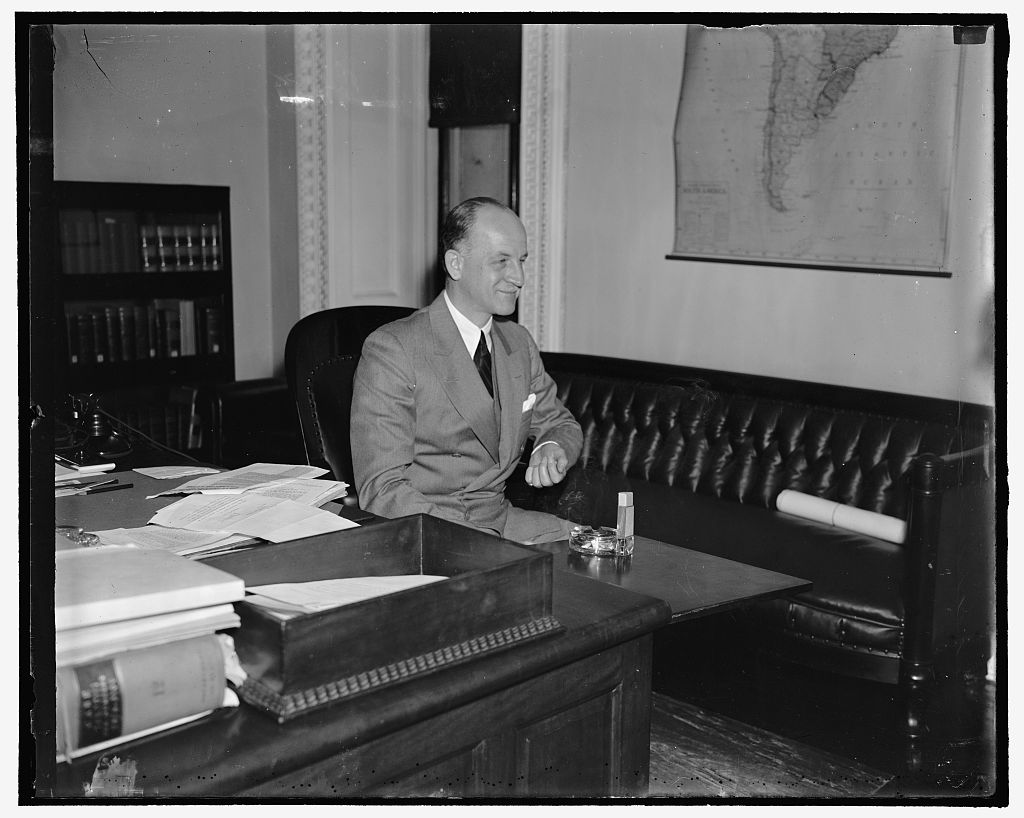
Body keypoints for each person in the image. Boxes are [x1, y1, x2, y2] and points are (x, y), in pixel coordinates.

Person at [350, 197, 583, 544]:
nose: (519, 277)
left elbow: (561, 423)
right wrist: (476, 541)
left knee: (603, 552)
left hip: (501, 519)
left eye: (521, 261)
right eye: (501, 261)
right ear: (455, 264)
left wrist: (551, 446)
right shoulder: (394, 349)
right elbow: (382, 490)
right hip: (434, 534)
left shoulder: (518, 342)